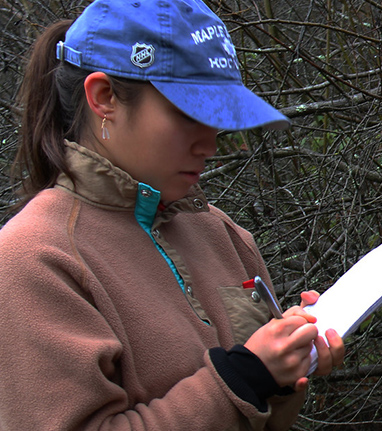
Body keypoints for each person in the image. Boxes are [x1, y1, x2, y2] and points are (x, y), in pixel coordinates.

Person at [0, 0, 344, 429]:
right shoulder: (36, 259)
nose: (210, 144)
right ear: (104, 97)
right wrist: (246, 377)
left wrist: (290, 363)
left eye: (218, 117)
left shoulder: (221, 234)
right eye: (189, 113)